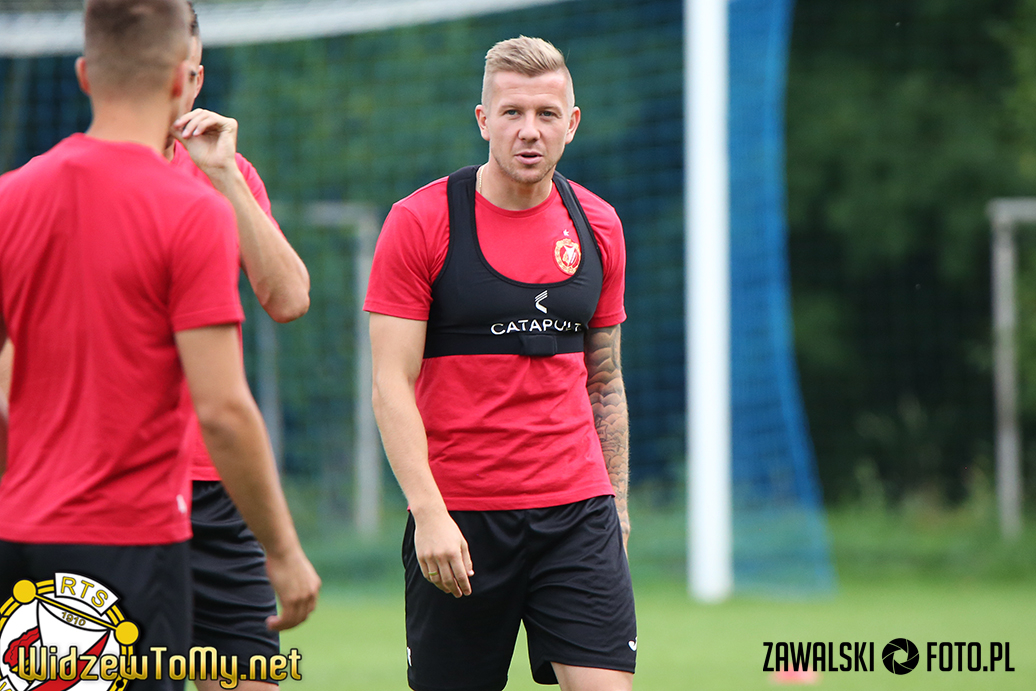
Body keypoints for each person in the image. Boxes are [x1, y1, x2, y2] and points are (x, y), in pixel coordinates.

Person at [0, 2, 319, 689]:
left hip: (163, 505)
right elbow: (223, 409)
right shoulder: (186, 213)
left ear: (85, 74)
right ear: (180, 79)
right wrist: (286, 549)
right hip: (136, 517)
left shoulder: (12, 196)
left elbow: (290, 297)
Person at [365, 36, 636, 691]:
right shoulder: (420, 221)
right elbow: (390, 383)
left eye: (547, 114)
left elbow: (605, 380)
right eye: (512, 112)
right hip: (460, 517)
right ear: (484, 120)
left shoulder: (599, 225)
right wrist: (428, 512)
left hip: (577, 512)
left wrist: (618, 508)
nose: (529, 130)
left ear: (572, 123)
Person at [166, 5, 311, 688]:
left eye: (188, 72)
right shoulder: (61, 186)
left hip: (218, 490)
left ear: (198, 79)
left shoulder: (229, 173)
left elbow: (288, 298)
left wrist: (223, 175)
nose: (176, 86)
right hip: (114, 490)